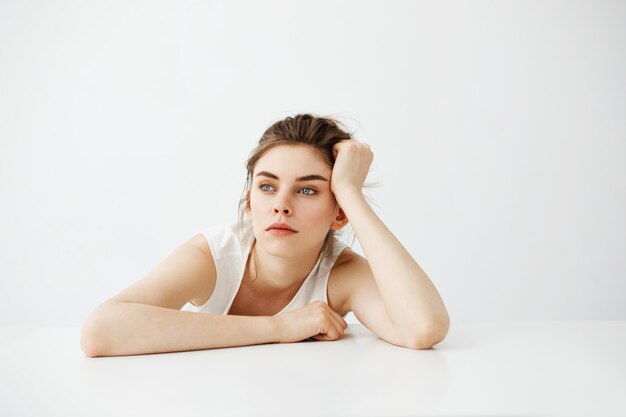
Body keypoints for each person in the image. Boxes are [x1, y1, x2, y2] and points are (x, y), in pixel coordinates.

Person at [80, 113, 450, 357]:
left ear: (339, 214)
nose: (281, 206)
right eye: (268, 187)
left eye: (307, 190)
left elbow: (423, 328)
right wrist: (277, 327)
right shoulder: (213, 256)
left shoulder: (341, 273)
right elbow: (100, 331)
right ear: (248, 201)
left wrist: (351, 193)